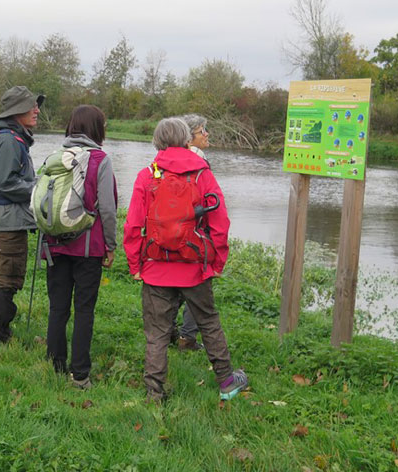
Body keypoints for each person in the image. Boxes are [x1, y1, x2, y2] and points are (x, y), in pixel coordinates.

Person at [123, 117, 247, 403]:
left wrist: (134, 265)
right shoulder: (202, 173)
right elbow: (220, 222)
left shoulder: (147, 175)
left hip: (156, 267)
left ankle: (154, 392)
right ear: (186, 139)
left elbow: (133, 225)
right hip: (194, 266)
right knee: (209, 322)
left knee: (157, 332)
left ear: (157, 142)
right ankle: (227, 382)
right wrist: (217, 261)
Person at [43, 105, 118, 389]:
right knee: (84, 310)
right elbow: (107, 209)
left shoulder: (55, 156)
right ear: (96, 128)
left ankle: (55, 365)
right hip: (88, 247)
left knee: (57, 308)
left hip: (55, 244)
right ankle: (80, 374)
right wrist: (110, 245)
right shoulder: (100, 160)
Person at [0, 86, 44, 344]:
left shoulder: (8, 136)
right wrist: (39, 189)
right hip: (9, 220)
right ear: (17, 111)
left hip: (3, 217)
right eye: (32, 106)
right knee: (8, 279)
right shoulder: (8, 140)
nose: (37, 110)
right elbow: (6, 183)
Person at [171, 113, 209, 352]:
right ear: (189, 137)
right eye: (202, 131)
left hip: (170, 232)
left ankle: (167, 330)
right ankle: (187, 337)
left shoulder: (168, 159)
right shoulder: (198, 161)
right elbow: (208, 200)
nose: (206, 134)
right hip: (194, 233)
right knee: (197, 285)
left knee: (174, 284)